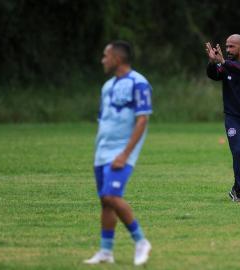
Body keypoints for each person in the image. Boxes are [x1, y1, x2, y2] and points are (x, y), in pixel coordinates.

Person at [84, 40, 152, 265]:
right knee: (105, 200)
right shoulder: (107, 86)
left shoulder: (139, 83)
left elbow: (142, 120)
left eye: (106, 55)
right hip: (102, 151)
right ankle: (106, 252)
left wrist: (125, 153)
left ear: (117, 58)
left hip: (122, 151)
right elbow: (103, 120)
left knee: (113, 196)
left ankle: (141, 241)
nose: (103, 60)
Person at [205, 34, 240, 203]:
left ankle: (236, 189)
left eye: (231, 47)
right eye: (226, 46)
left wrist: (223, 62)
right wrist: (213, 62)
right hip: (233, 118)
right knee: (238, 151)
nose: (228, 50)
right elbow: (213, 75)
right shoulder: (225, 65)